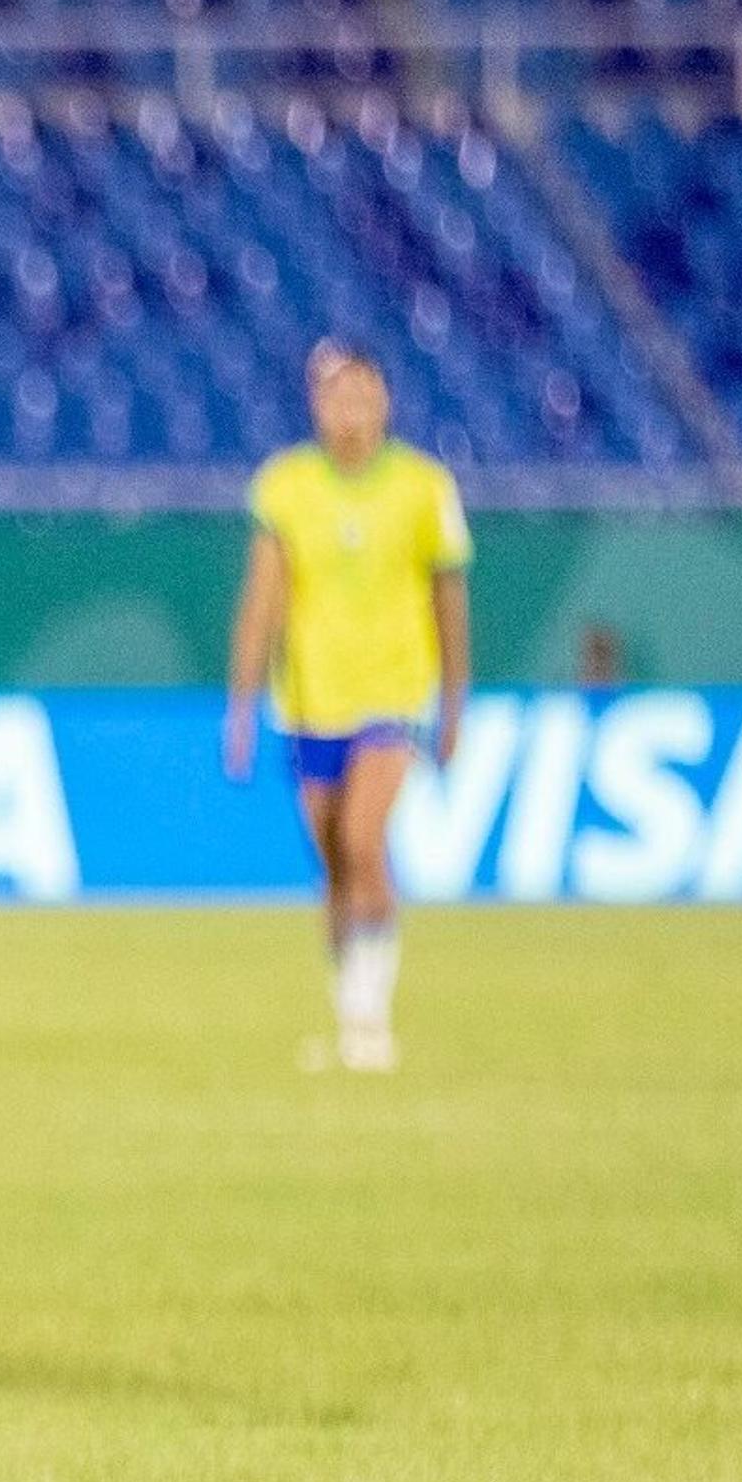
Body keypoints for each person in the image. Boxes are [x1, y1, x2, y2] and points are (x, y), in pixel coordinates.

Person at [224, 342, 473, 1073]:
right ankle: (348, 1007)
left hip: (393, 692)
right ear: (316, 407)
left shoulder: (424, 488)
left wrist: (454, 701)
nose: (351, 411)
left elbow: (448, 597)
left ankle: (371, 1017)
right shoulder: (286, 487)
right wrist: (241, 707)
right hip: (310, 699)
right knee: (333, 859)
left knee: (365, 839)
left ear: (386, 402)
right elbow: (263, 601)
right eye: (337, 397)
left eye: (364, 395)